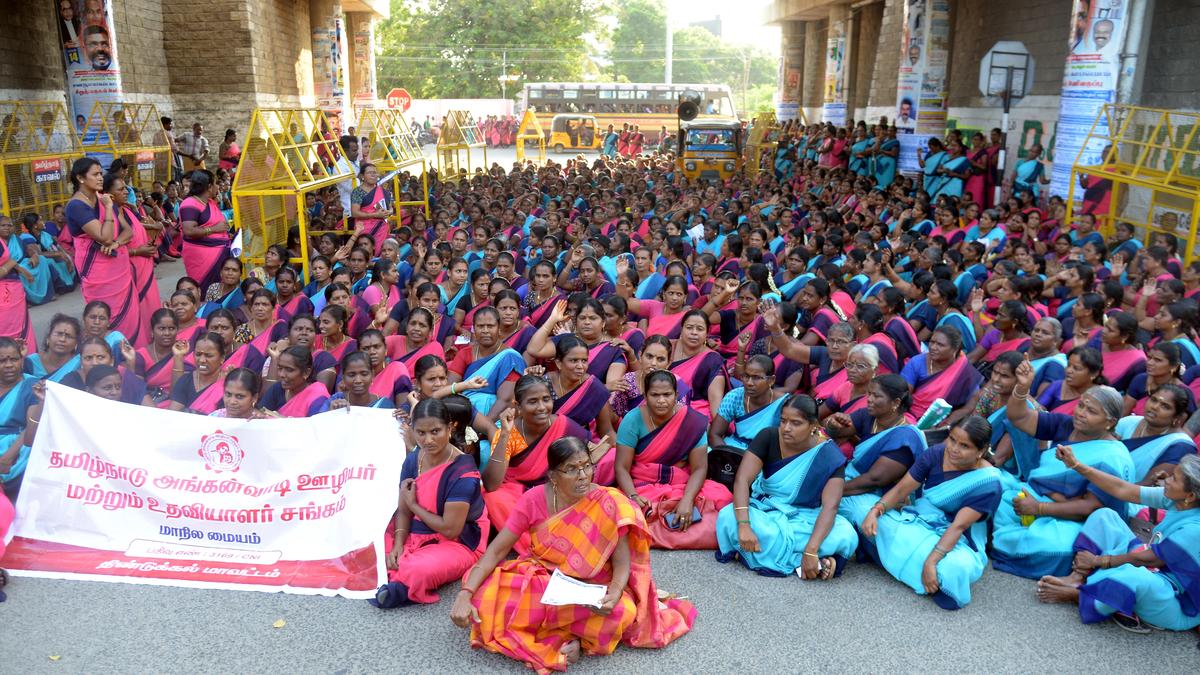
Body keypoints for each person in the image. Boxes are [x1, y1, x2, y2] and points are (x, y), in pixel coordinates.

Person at [451, 437, 695, 672]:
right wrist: (466, 594)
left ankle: (566, 637)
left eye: (587, 466)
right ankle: (574, 636)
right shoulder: (532, 500)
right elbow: (497, 550)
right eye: (571, 469)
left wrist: (614, 593)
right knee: (483, 594)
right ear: (553, 476)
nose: (583, 476)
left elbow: (622, 564)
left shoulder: (609, 501)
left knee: (624, 612)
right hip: (546, 579)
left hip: (592, 586)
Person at [992, 359, 1134, 579]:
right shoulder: (1066, 425)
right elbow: (1019, 417)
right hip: (1037, 497)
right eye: (1081, 405)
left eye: (1091, 411)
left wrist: (1038, 508)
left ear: (1109, 422)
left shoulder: (1112, 457)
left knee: (1052, 546)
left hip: (1075, 519)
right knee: (993, 496)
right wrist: (1021, 388)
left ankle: (1007, 543)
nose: (1081, 413)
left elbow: (1089, 507)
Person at [1035, 450, 1200, 632]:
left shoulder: (1195, 528)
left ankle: (1078, 596)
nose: (1167, 480)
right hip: (1154, 569)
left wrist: (1099, 561)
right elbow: (1123, 489)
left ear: (1190, 496)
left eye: (1174, 479)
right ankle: (1077, 578)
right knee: (1105, 516)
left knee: (1136, 576)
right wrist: (1076, 465)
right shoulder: (1176, 500)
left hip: (1174, 600)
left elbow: (1149, 559)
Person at [861, 416, 1003, 609]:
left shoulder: (988, 483)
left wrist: (931, 562)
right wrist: (875, 511)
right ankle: (919, 572)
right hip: (921, 520)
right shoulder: (936, 454)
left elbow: (958, 526)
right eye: (952, 439)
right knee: (863, 511)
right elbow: (902, 489)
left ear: (981, 451)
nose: (954, 449)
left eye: (964, 446)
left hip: (960, 540)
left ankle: (899, 561)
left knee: (956, 567)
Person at [715, 394, 857, 578]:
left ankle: (800, 557)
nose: (786, 428)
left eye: (796, 423)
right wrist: (744, 526)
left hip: (804, 518)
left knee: (845, 533)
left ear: (814, 425)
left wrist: (811, 549)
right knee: (728, 517)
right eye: (783, 421)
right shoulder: (768, 436)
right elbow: (742, 480)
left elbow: (830, 507)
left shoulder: (829, 456)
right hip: (764, 511)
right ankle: (810, 564)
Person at [372, 398, 489, 609]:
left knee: (420, 570)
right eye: (421, 433)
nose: (428, 440)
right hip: (419, 527)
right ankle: (398, 574)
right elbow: (404, 511)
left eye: (435, 431)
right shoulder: (414, 459)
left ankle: (400, 586)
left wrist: (414, 505)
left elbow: (450, 529)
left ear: (450, 427)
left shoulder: (463, 471)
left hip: (459, 540)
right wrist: (399, 544)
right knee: (371, 545)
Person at [615, 370, 732, 549]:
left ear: (676, 395)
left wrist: (687, 499)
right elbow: (622, 467)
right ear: (645, 395)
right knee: (620, 508)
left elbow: (700, 468)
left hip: (681, 483)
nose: (661, 400)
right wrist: (633, 496)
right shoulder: (632, 419)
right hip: (643, 483)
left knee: (723, 497)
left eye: (667, 394)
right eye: (654, 395)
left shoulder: (692, 421)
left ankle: (651, 528)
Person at [482, 375, 592, 538]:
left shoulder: (561, 424)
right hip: (519, 491)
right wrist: (505, 433)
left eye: (546, 399)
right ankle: (534, 543)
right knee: (495, 498)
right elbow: (491, 484)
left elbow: (590, 451)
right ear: (518, 406)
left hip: (557, 484)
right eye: (533, 401)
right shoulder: (509, 432)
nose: (541, 407)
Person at [825, 374, 927, 538]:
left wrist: (830, 491)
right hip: (852, 481)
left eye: (877, 396)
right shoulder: (869, 416)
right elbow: (837, 431)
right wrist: (834, 422)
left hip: (880, 494)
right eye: (869, 394)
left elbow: (875, 480)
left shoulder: (904, 437)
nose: (869, 399)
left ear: (895, 403)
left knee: (858, 512)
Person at [64, 158, 142, 344]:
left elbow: (128, 231)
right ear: (81, 178)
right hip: (96, 271)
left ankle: (129, 357)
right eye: (95, 174)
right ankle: (105, 358)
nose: (101, 178)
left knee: (128, 314)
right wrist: (108, 207)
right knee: (103, 316)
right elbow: (103, 236)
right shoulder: (76, 206)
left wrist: (116, 244)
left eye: (101, 173)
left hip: (119, 266)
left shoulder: (102, 198)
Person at [0, 337, 40, 500]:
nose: (9, 365)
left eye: (14, 359)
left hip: (19, 452)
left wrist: (8, 457)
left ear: (21, 360)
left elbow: (31, 426)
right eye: (2, 360)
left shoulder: (32, 385)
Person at [178, 169, 231, 290]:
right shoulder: (190, 203)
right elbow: (189, 231)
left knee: (219, 290)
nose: (218, 186)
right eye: (216, 183)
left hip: (219, 253)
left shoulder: (209, 202)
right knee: (204, 290)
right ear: (209, 186)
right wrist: (214, 229)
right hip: (202, 258)